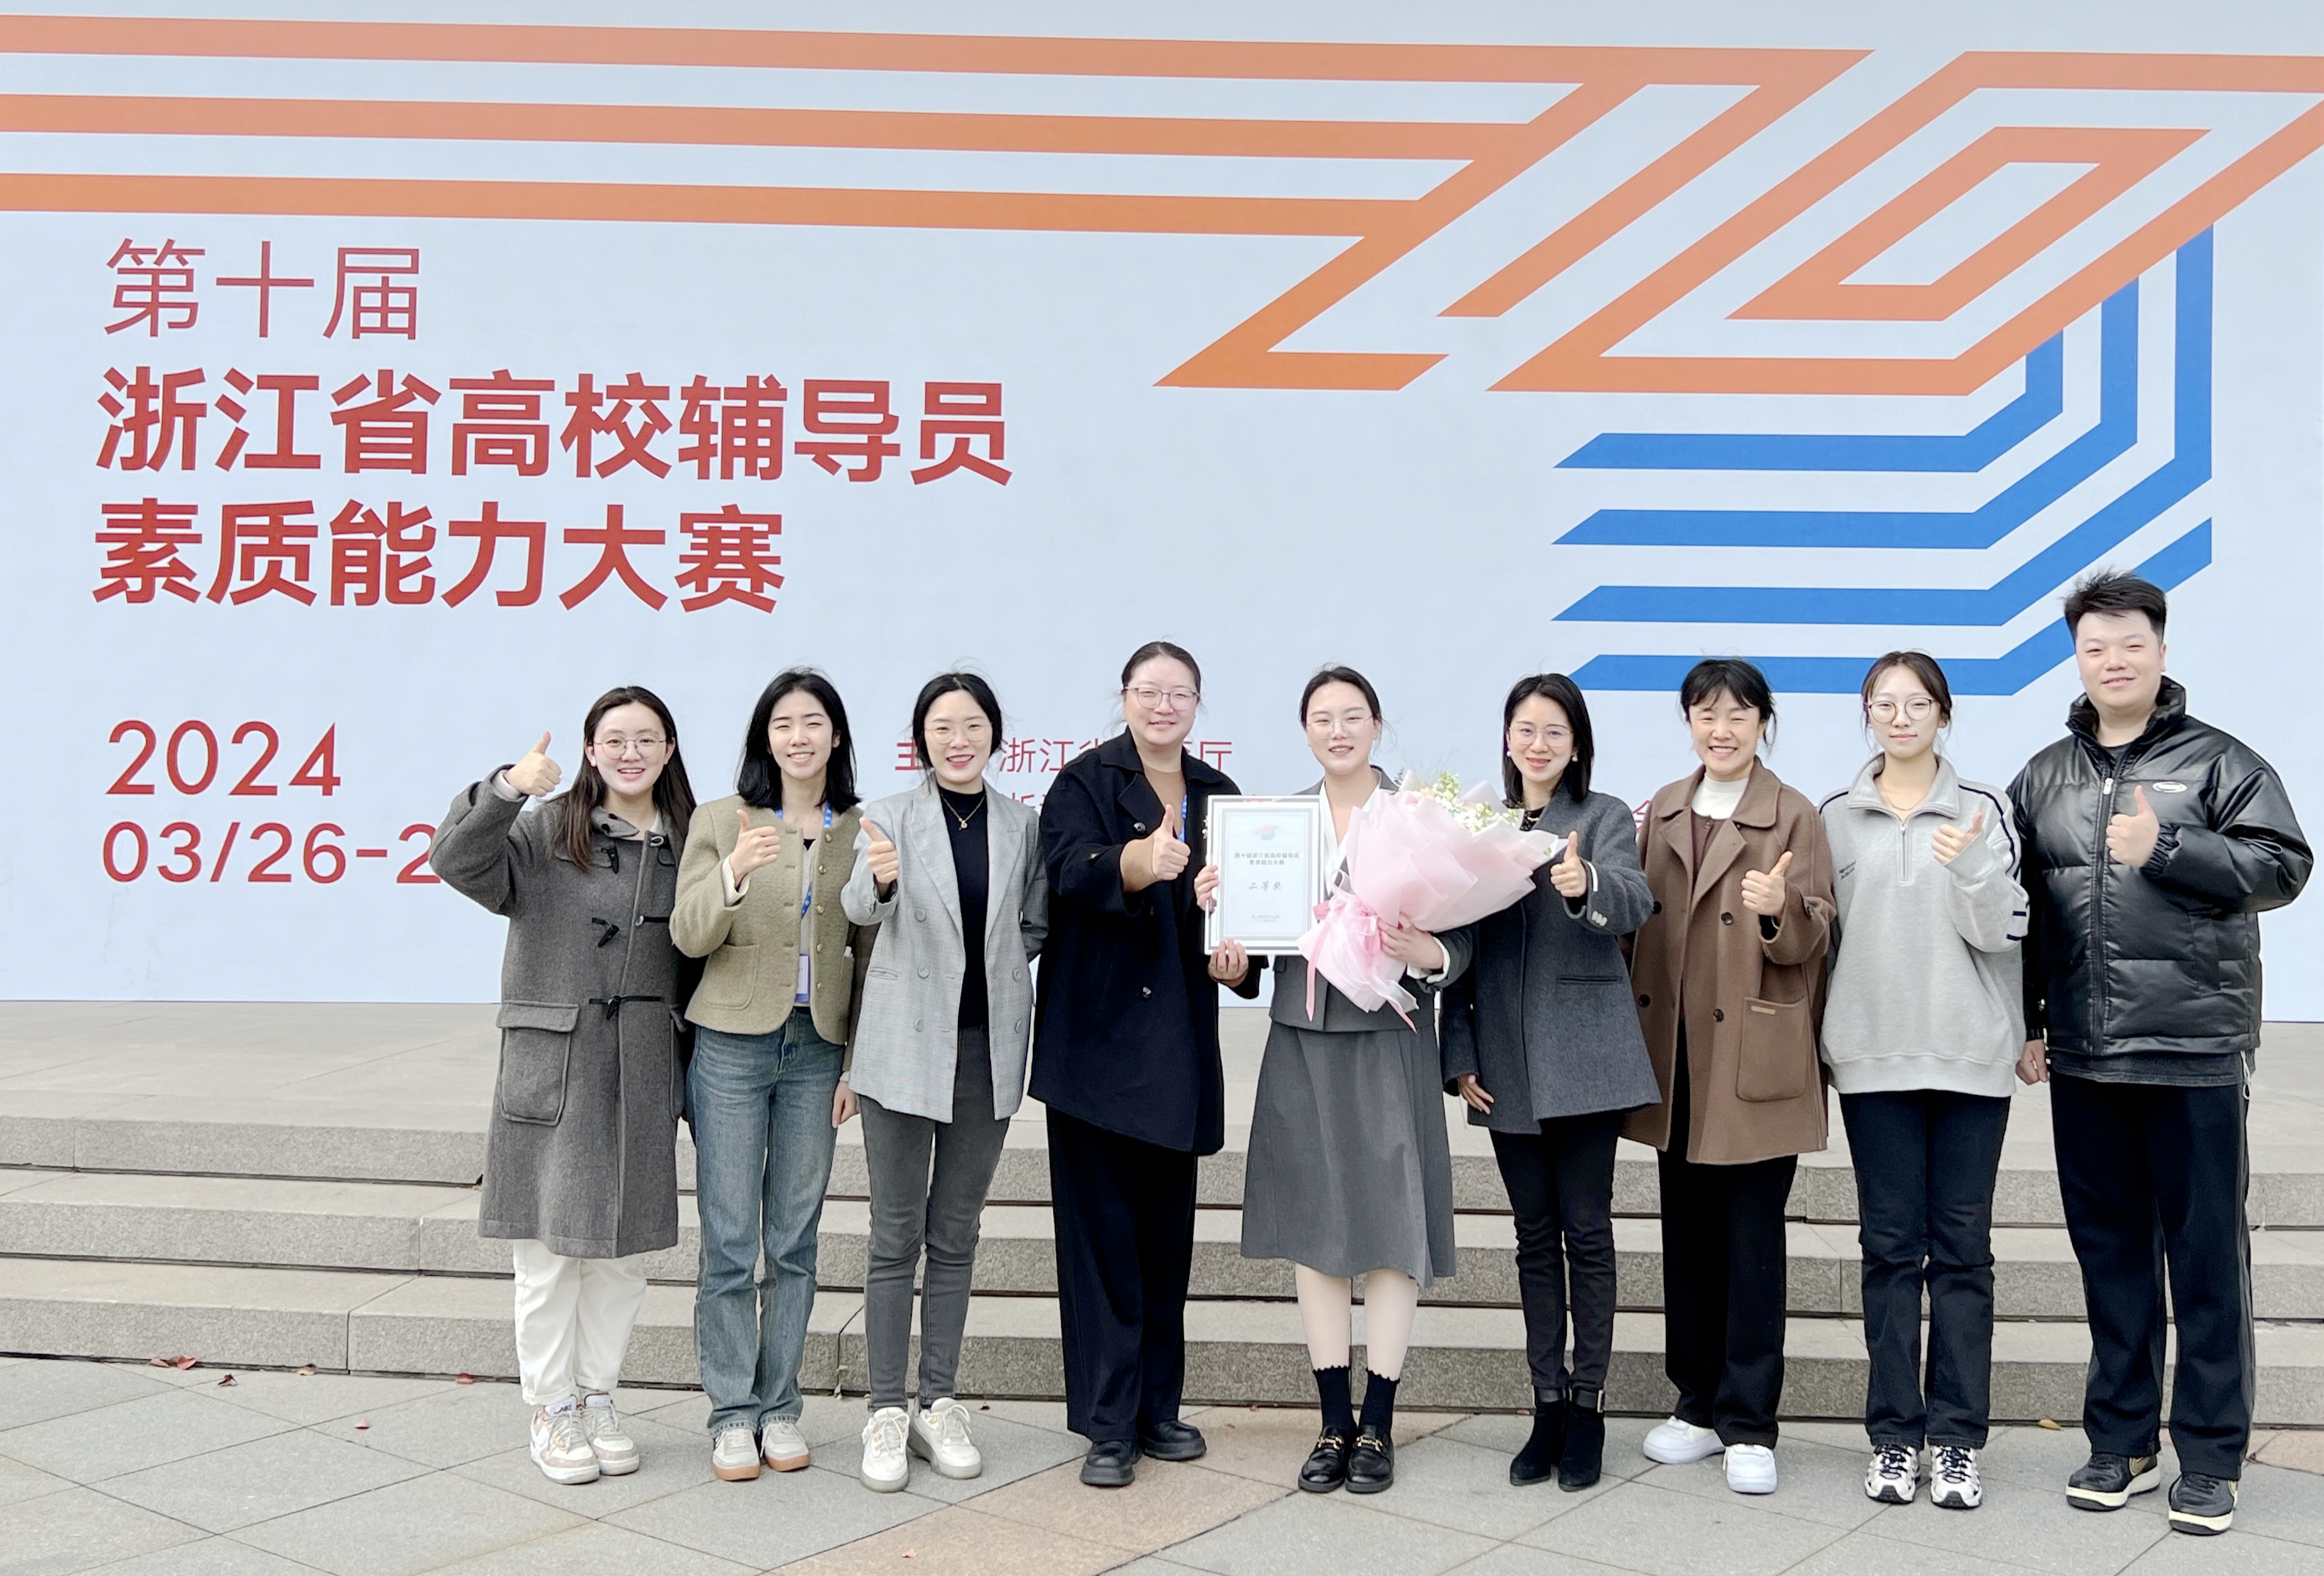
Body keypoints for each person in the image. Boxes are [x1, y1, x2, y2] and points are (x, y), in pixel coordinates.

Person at [2012, 571, 2310, 1537]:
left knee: (2207, 1261)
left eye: (2129, 643)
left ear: (2160, 650)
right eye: (2094, 646)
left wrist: (2168, 846)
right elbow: (2024, 913)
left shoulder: (2221, 761)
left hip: (2192, 1050)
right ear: (2076, 658)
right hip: (2087, 1056)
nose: (2113, 660)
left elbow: (2283, 865)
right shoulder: (2043, 777)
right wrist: (2029, 1021)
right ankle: (2122, 1439)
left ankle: (2212, 1456)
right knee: (2110, 1257)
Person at [430, 686, 697, 1487]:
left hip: (643, 1064)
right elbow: (455, 861)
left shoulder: (692, 840)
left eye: (646, 739)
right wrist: (508, 788)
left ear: (669, 749)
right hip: (559, 1063)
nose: (630, 753)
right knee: (548, 1255)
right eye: (614, 739)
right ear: (589, 751)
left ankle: (597, 1397)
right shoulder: (548, 829)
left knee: (623, 1255)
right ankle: (550, 1407)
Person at [1031, 640, 1262, 1487]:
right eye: (1148, 690)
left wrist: (1239, 961)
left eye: (1179, 693)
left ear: (1198, 704)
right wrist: (1138, 862)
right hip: (1093, 1047)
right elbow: (1066, 870)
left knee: (1166, 1243)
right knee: (1100, 1246)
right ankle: (1107, 1423)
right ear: (1123, 696)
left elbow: (1242, 917)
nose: (1163, 706)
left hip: (1175, 1049)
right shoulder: (1083, 782)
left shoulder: (1219, 795)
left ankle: (1158, 1409)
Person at [1238, 667, 1469, 1497]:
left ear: (1377, 724)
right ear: (1304, 730)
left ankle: (1379, 1420)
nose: (1337, 731)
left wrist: (1430, 954)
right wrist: (1227, 933)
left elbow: (1464, 939)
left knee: (1392, 1227)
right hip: (1303, 1040)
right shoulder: (1276, 824)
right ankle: (1332, 1421)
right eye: (1321, 718)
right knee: (1315, 1227)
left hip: (1390, 1039)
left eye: (1352, 716)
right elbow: (1253, 942)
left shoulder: (1419, 817)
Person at [1440, 673, 1660, 1492]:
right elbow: (1456, 940)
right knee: (1532, 1237)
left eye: (1554, 732)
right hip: (1503, 1061)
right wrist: (1458, 1050)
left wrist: (1586, 885)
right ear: (1507, 738)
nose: (1538, 744)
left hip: (1585, 1059)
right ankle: (1546, 1405)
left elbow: (1635, 902)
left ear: (1575, 745)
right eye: (1526, 730)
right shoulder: (1478, 824)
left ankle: (1589, 1406)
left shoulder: (1602, 816)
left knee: (1587, 1233)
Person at [1819, 653, 2026, 1512]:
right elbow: (1821, 940)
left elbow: (2007, 929)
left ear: (1944, 713)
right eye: (1885, 704)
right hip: (1873, 1061)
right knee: (1890, 1253)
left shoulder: (1985, 807)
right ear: (1866, 713)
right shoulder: (1832, 817)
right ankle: (1894, 1437)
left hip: (1969, 1060)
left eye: (1917, 703)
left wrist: (1972, 866)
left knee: (1964, 1256)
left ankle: (1958, 1441)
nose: (1900, 718)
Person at [1626, 658, 1835, 1497]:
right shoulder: (1662, 809)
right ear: (1687, 722)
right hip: (1678, 1058)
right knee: (1687, 1237)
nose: (1721, 729)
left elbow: (1816, 936)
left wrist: (1781, 912)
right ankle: (1696, 1403)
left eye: (1738, 715)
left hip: (1753, 1054)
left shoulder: (1794, 814)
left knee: (1751, 1243)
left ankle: (1749, 1420)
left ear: (1762, 725)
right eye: (1706, 714)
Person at [842, 673, 1048, 1493]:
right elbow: (859, 907)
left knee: (956, 1234)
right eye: (941, 726)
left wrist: (992, 970)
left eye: (972, 726)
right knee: (895, 1234)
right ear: (920, 738)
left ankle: (939, 1401)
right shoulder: (889, 816)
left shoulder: (1022, 824)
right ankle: (884, 1410)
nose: (958, 740)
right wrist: (883, 878)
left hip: (985, 1052)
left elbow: (1035, 922)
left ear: (995, 735)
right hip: (900, 1049)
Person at [672, 670, 872, 1483]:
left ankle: (780, 1404)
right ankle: (731, 1412)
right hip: (730, 1044)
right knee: (729, 1238)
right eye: (783, 724)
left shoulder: (859, 828)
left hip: (817, 1049)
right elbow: (689, 935)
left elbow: (870, 953)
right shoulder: (723, 819)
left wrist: (855, 1063)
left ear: (835, 735)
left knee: (793, 1238)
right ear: (765, 737)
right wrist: (732, 874)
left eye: (813, 722)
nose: (798, 737)